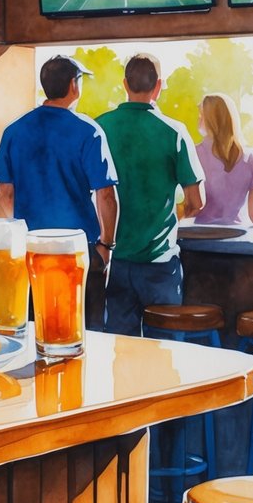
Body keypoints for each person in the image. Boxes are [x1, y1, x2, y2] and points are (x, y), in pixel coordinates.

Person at [0, 55, 118, 327]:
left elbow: (4, 193)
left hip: (32, 250)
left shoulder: (14, 131)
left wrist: (22, 231)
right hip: (77, 250)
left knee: (36, 327)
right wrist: (106, 245)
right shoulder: (89, 131)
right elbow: (106, 195)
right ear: (74, 86)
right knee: (86, 332)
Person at [95, 54, 204, 336]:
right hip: (160, 264)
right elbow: (196, 201)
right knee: (166, 354)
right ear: (159, 86)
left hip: (114, 262)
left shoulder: (100, 128)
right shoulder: (174, 132)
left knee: (120, 353)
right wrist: (174, 214)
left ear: (124, 84)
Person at [194, 93, 253, 226]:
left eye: (201, 116)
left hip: (202, 235)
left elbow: (192, 205)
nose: (198, 120)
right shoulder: (251, 158)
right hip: (237, 237)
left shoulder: (194, 154)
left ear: (209, 120)